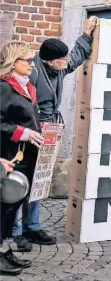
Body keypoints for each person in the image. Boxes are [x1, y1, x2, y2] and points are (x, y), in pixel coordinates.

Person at [11, 16, 98, 252]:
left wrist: (86, 34)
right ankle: (14, 231)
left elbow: (76, 58)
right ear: (48, 61)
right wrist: (28, 130)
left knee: (39, 181)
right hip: (31, 132)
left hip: (49, 132)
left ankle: (32, 226)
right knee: (21, 180)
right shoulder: (32, 72)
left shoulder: (58, 67)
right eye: (60, 60)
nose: (65, 63)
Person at [0, 41, 43, 275]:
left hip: (25, 157)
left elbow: (24, 117)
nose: (31, 64)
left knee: (13, 205)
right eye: (26, 60)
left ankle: (5, 250)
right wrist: (24, 133)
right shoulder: (4, 87)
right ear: (13, 61)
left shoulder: (26, 87)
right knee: (4, 206)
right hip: (8, 157)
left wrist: (40, 127)